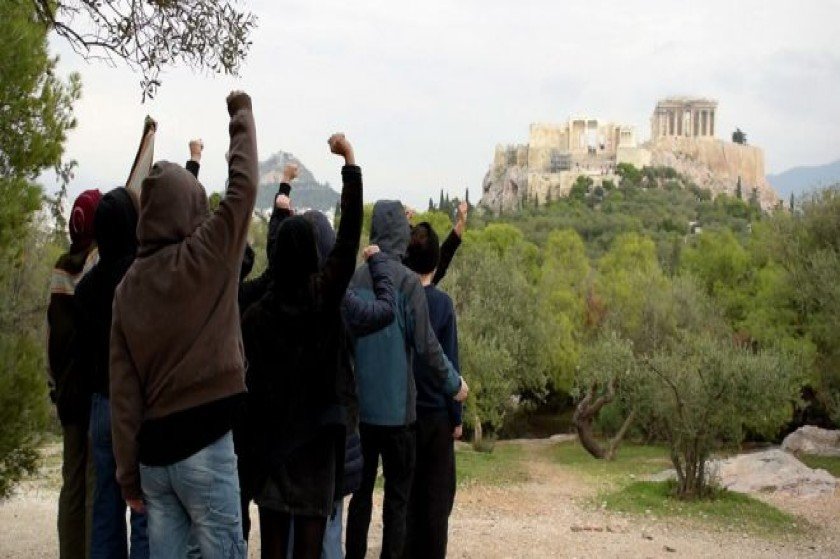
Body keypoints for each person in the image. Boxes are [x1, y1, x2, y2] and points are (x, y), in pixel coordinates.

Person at [109, 90, 257, 558]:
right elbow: (243, 187)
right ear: (190, 208)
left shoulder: (126, 288)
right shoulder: (207, 256)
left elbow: (124, 391)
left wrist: (127, 475)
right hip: (207, 443)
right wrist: (239, 114)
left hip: (154, 458)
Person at [240, 133, 362, 559]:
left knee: (272, 548)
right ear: (312, 254)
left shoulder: (255, 317)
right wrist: (349, 163)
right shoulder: (324, 301)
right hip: (315, 449)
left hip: (272, 446)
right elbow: (348, 241)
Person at [345, 201, 469, 559]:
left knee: (362, 499)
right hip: (400, 415)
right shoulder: (406, 282)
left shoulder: (354, 279)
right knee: (397, 503)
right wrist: (455, 386)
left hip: (362, 413)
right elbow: (429, 348)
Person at [75, 187, 149, 559]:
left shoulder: (85, 288)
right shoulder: (140, 278)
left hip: (100, 406)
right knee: (142, 511)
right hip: (135, 407)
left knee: (106, 507)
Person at [402, 222, 463, 559]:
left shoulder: (399, 298)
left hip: (406, 413)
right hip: (438, 416)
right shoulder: (442, 305)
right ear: (437, 261)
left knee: (409, 496)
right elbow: (450, 363)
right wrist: (458, 416)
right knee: (437, 500)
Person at [47, 189, 101, 559]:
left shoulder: (58, 271)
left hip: (67, 394)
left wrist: (54, 385)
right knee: (94, 488)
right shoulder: (97, 264)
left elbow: (51, 338)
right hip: (93, 393)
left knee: (71, 485)